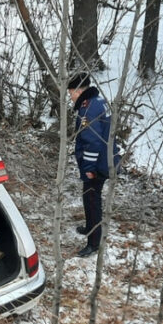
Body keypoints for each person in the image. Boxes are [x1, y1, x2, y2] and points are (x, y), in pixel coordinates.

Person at [67, 73, 120, 258]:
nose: (70, 96)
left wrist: (89, 168)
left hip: (98, 163)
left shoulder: (87, 110)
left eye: (71, 92)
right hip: (108, 158)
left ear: (80, 90)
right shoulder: (99, 100)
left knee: (92, 200)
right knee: (89, 197)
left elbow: (92, 142)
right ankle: (90, 228)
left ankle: (93, 242)